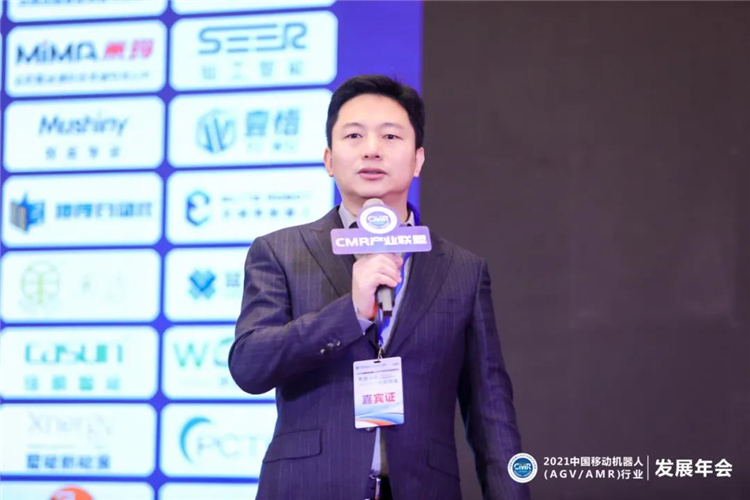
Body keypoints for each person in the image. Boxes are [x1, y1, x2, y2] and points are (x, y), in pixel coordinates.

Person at [229, 75, 530, 500]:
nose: (372, 149)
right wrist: (349, 312)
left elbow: (490, 410)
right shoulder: (280, 251)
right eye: (354, 135)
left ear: (418, 159)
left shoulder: (462, 269)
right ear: (329, 159)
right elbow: (249, 365)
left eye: (390, 136)